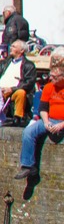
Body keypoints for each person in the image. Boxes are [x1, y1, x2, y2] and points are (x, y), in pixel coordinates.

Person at [19, 58, 64, 188]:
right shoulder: (49, 87)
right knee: (29, 132)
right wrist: (46, 122)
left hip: (62, 122)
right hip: (50, 120)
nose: (51, 78)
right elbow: (43, 108)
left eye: (55, 77)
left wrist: (61, 125)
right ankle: (28, 165)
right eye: (51, 75)